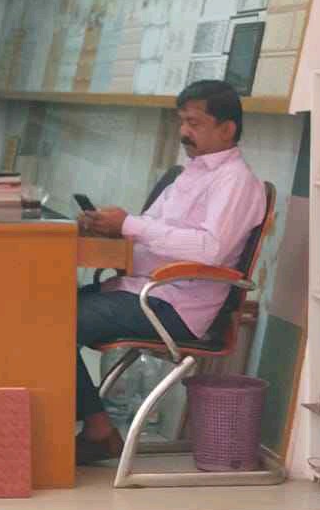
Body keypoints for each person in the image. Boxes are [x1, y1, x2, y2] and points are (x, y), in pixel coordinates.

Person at [73, 80, 266, 465]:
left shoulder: (235, 181)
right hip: (143, 290)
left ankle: (98, 431)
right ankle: (93, 426)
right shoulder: (190, 174)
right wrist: (109, 230)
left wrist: (130, 225)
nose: (184, 132)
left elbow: (210, 249)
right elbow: (153, 231)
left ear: (227, 129)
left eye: (194, 123)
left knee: (55, 325)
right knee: (39, 311)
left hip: (175, 306)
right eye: (182, 122)